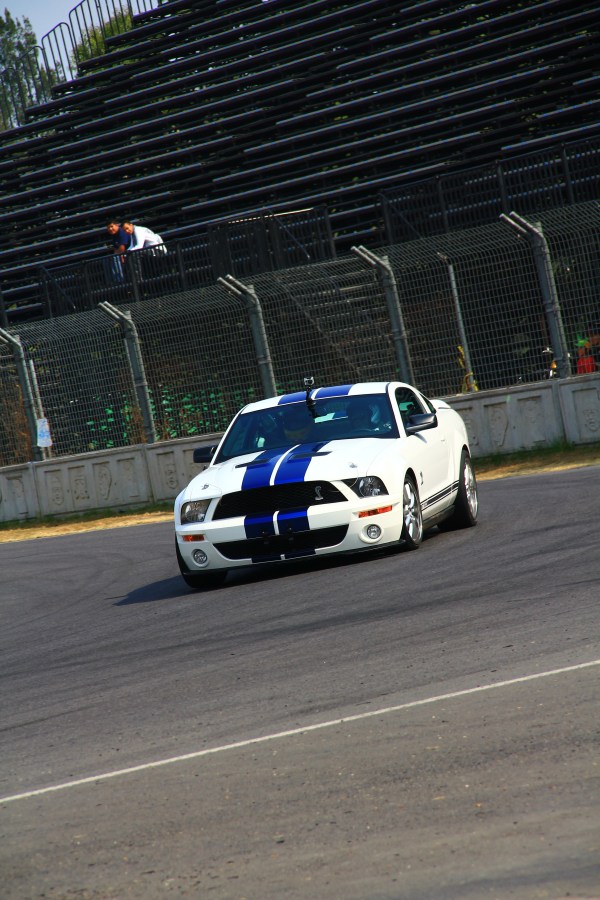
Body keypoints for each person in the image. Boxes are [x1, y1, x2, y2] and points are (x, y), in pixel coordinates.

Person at [105, 218, 130, 283]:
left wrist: (119, 255)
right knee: (106, 260)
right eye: (108, 228)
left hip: (129, 252)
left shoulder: (121, 232)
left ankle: (120, 280)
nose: (110, 229)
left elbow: (122, 247)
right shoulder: (114, 235)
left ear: (116, 225)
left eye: (111, 226)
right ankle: (110, 282)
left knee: (115, 258)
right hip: (121, 253)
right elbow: (115, 248)